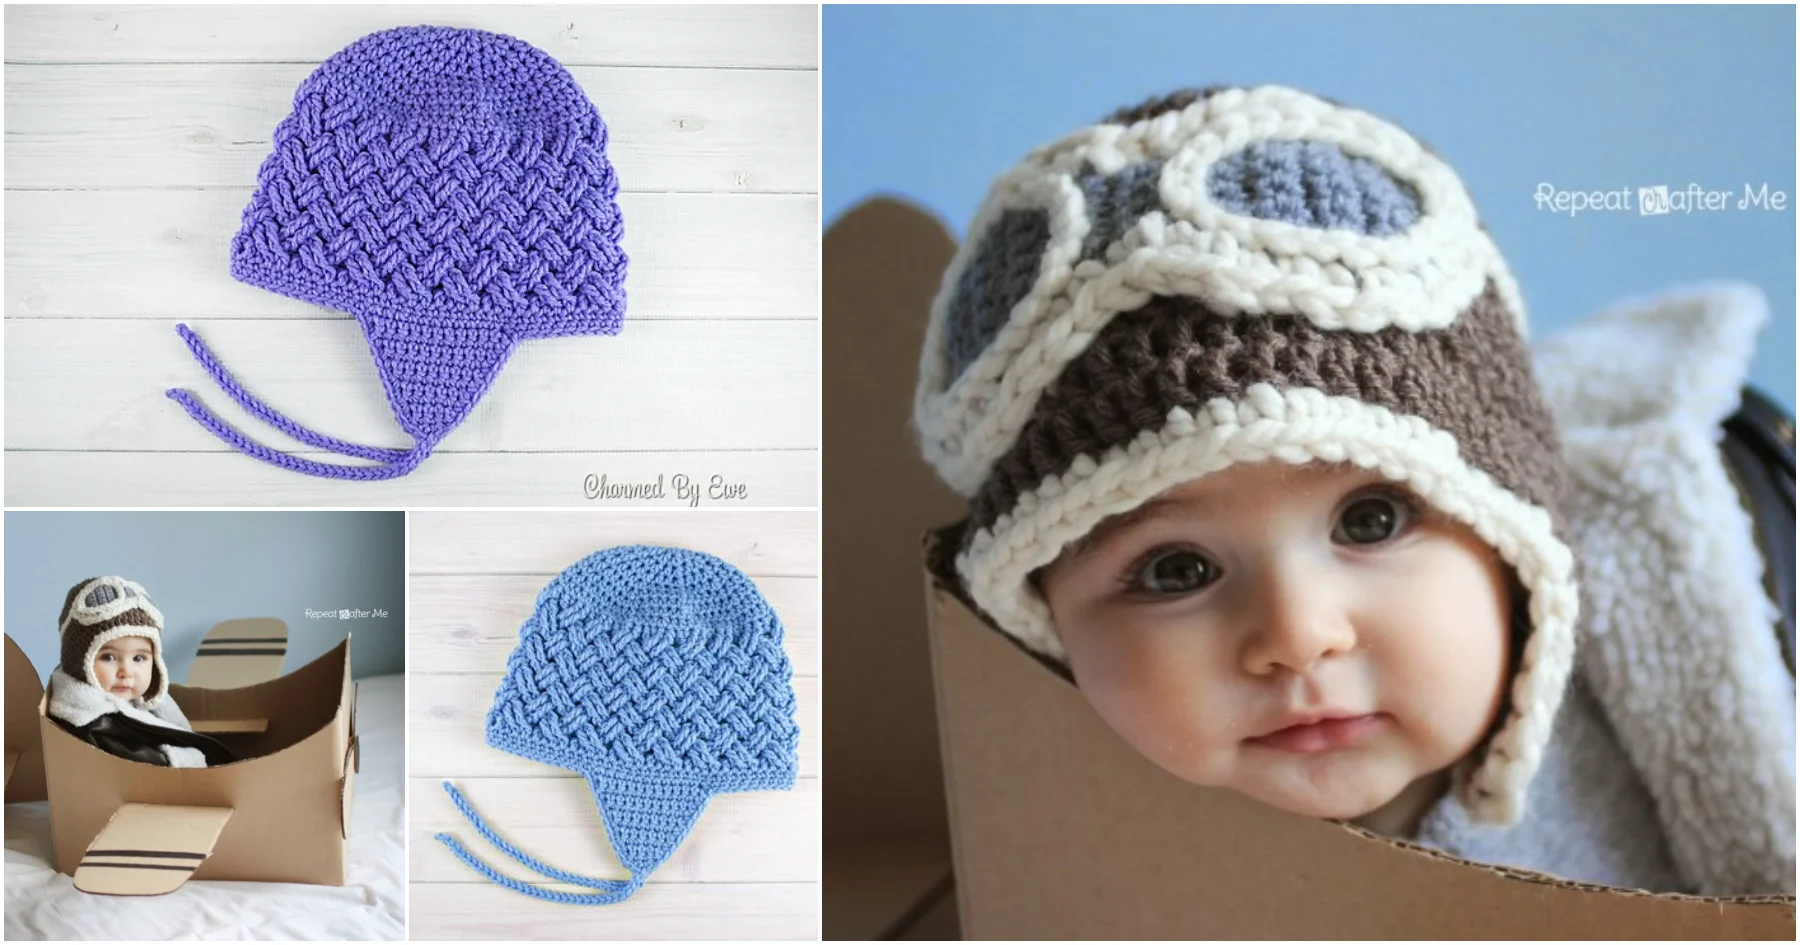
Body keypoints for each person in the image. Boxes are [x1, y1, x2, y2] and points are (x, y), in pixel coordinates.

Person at [911, 84, 1794, 896]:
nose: (1298, 637)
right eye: (1177, 569)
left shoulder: (1647, 713)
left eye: (1371, 520)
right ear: (1042, 622)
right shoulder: (1054, 857)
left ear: (1511, 543)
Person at [46, 576, 234, 768]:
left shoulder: (142, 702)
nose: (126, 672)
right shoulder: (91, 724)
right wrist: (189, 759)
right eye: (109, 657)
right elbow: (143, 764)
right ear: (79, 662)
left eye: (139, 658)